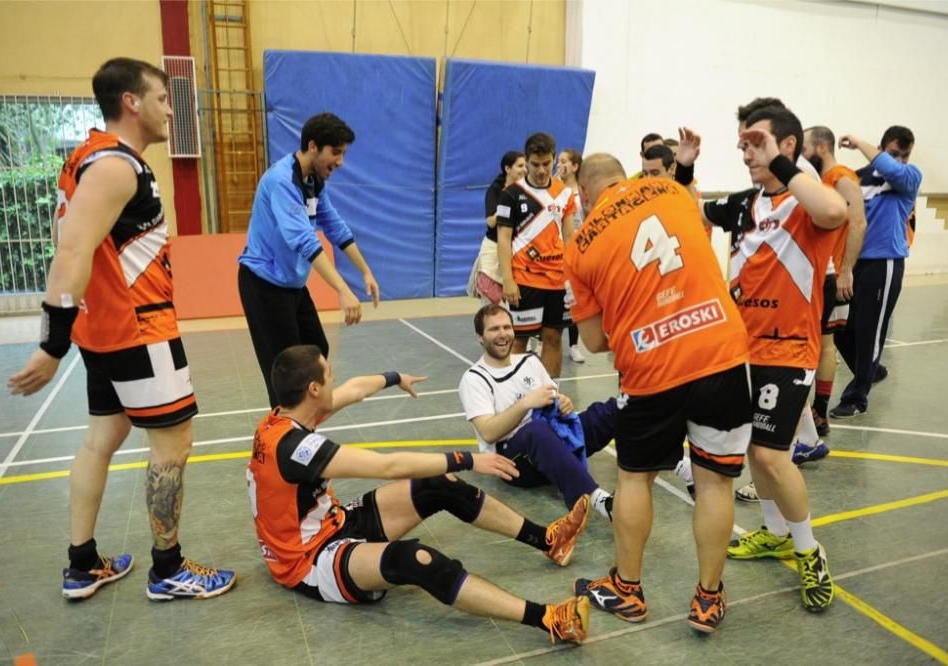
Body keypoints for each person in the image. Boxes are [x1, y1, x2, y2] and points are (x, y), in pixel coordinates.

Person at [8, 57, 235, 601]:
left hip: (106, 331)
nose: (169, 109)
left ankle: (83, 563)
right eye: (162, 98)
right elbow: (72, 250)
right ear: (131, 101)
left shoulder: (88, 158)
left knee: (102, 437)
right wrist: (51, 341)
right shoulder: (115, 166)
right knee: (173, 443)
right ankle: (169, 569)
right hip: (139, 330)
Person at [247, 345, 590, 645]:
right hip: (308, 561)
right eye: (329, 374)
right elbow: (389, 466)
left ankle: (549, 540)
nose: (335, 380)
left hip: (333, 524)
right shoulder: (296, 449)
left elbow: (353, 389)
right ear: (313, 389)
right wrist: (469, 459)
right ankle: (548, 619)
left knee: (440, 483)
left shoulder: (282, 419)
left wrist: (395, 377)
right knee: (413, 560)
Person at [565, 139, 753, 634]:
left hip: (650, 367)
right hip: (721, 352)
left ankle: (628, 589)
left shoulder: (580, 245)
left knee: (634, 478)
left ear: (585, 193)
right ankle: (707, 600)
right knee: (714, 481)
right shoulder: (671, 193)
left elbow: (594, 340)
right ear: (624, 177)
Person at [699, 106, 842, 612]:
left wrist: (783, 164)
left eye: (755, 143)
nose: (746, 154)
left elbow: (834, 213)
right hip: (741, 348)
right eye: (742, 145)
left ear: (786, 146)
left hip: (788, 348)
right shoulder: (743, 203)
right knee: (754, 447)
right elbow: (689, 213)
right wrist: (682, 171)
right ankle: (776, 532)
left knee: (769, 455)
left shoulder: (806, 200)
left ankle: (810, 551)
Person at [238, 112, 381, 407]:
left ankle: (302, 424)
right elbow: (305, 240)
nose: (340, 161)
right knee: (287, 368)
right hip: (264, 285)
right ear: (313, 146)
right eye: (336, 152)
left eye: (343, 153)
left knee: (317, 351)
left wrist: (365, 271)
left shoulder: (313, 182)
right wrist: (342, 289)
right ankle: (283, 434)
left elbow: (335, 227)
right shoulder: (282, 180)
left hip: (292, 285)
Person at [458, 304, 617, 520]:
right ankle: (598, 500)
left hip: (553, 441)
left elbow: (552, 398)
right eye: (494, 329)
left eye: (507, 327)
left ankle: (674, 462)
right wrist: (525, 404)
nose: (503, 334)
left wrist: (563, 402)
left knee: (609, 410)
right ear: (480, 337)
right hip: (515, 463)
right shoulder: (474, 378)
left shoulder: (529, 360)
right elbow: (488, 432)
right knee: (535, 430)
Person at [830, 126, 920, 418]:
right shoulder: (857, 180)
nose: (901, 161)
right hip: (853, 263)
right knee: (840, 327)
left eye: (905, 155)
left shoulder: (909, 177)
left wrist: (857, 142)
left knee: (871, 330)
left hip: (885, 263)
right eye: (895, 154)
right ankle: (870, 370)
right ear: (882, 148)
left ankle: (857, 397)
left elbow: (890, 168)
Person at [801, 125, 867, 442]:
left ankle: (819, 411)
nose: (800, 154)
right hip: (815, 273)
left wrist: (846, 271)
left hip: (832, 273)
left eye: (804, 148)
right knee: (819, 342)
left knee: (824, 344)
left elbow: (858, 222)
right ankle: (813, 413)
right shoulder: (817, 182)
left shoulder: (841, 177)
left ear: (821, 148)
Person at [495, 132, 577, 380]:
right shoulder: (510, 194)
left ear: (554, 160)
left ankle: (551, 398)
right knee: (519, 340)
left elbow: (570, 237)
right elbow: (503, 238)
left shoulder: (565, 193)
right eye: (535, 164)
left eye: (546, 164)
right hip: (525, 279)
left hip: (557, 280)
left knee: (553, 338)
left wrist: (574, 277)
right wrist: (508, 279)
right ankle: (517, 397)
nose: (541, 170)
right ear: (527, 161)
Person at [468, 150, 526, 305]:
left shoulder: (526, 190)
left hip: (516, 248)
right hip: (494, 247)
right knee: (490, 298)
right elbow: (491, 222)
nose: (524, 170)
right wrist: (507, 208)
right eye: (520, 166)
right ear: (508, 169)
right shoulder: (495, 190)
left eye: (525, 166)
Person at [556, 148, 586, 363]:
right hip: (555, 252)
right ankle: (541, 342)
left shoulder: (583, 192)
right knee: (553, 298)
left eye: (564, 161)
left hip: (577, 252)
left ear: (575, 166)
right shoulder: (555, 189)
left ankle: (574, 345)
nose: (560, 164)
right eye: (558, 161)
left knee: (573, 299)